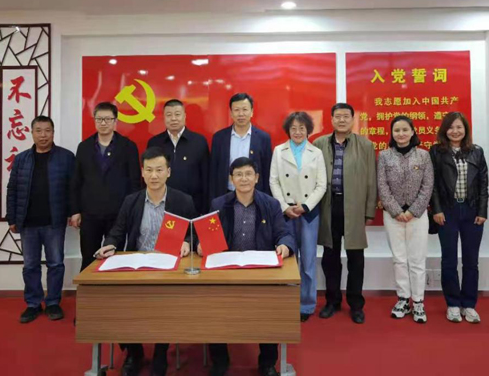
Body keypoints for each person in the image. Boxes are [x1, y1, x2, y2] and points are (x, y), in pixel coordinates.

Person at [95, 147, 197, 376]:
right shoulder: (131, 201)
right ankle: (135, 352)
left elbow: (194, 233)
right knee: (119, 304)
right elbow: (117, 231)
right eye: (149, 170)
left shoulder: (182, 200)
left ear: (168, 172)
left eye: (159, 170)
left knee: (165, 307)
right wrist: (109, 244)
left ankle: (160, 352)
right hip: (137, 266)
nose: (154, 176)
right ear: (142, 172)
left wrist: (187, 242)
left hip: (170, 268)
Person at [202, 157, 295, 376]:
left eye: (248, 174)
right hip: (226, 271)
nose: (244, 179)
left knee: (268, 312)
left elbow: (284, 233)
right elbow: (206, 236)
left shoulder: (271, 204)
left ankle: (267, 363)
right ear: (231, 179)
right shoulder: (219, 205)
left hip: (260, 272)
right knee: (214, 309)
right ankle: (220, 361)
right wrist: (201, 244)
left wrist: (284, 245)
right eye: (238, 175)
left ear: (257, 177)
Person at [7, 115, 75, 323]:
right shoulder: (21, 159)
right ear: (32, 133)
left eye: (47, 131)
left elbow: (73, 188)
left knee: (56, 264)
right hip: (28, 222)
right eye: (38, 130)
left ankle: (53, 302)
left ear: (53, 133)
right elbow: (12, 189)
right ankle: (33, 304)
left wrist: (74, 211)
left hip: (54, 221)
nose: (43, 135)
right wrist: (12, 218)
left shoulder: (66, 157)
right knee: (30, 266)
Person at [313, 103, 377, 324]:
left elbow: (371, 180)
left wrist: (369, 211)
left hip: (355, 207)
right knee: (330, 258)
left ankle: (356, 304)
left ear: (352, 119)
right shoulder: (319, 144)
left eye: (346, 116)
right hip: (328, 206)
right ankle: (332, 301)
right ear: (331, 119)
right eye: (337, 116)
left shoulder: (365, 145)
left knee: (356, 259)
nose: (341, 120)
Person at [429, 112, 488, 324]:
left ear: (465, 130)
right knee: (449, 260)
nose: (455, 131)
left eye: (459, 127)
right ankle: (453, 304)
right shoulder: (436, 151)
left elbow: (483, 185)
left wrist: (482, 212)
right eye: (451, 127)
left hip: (472, 212)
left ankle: (469, 304)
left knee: (471, 261)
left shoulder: (476, 151)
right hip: (447, 211)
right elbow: (433, 184)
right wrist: (436, 209)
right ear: (445, 130)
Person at [269, 111, 327, 322]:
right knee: (287, 259)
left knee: (308, 262)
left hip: (308, 213)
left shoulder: (316, 153)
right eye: (293, 128)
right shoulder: (278, 151)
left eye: (302, 128)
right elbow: (273, 181)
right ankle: (286, 302)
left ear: (308, 130)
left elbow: (322, 185)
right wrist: (285, 207)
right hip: (286, 214)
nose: (297, 132)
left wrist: (306, 205)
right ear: (288, 130)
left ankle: (307, 304)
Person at [70, 101, 141, 271]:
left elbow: (135, 182)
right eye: (99, 119)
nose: (103, 123)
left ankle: (113, 288)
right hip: (90, 213)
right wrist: (75, 211)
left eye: (108, 119)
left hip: (118, 213)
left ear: (115, 121)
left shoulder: (128, 146)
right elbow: (76, 181)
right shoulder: (84, 147)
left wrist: (132, 211)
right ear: (94, 120)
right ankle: (88, 288)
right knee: (88, 257)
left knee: (115, 258)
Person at [378, 115, 434, 323]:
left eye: (404, 130)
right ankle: (403, 299)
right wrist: (395, 210)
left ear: (412, 132)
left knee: (417, 260)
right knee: (399, 259)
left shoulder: (424, 156)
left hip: (417, 216)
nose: (401, 134)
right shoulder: (384, 156)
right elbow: (382, 186)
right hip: (393, 216)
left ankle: (418, 301)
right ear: (392, 133)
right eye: (397, 130)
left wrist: (413, 211)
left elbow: (427, 186)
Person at [147, 99, 210, 214]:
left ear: (184, 116)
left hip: (193, 206)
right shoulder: (155, 143)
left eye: (177, 114)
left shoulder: (199, 141)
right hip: (161, 206)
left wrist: (205, 209)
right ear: (164, 118)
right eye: (169, 115)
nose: (173, 118)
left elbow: (206, 178)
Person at [210, 93, 272, 200]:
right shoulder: (219, 138)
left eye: (245, 109)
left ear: (251, 112)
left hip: (254, 196)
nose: (241, 114)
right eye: (237, 110)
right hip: (226, 194)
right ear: (231, 113)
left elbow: (267, 172)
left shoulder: (263, 138)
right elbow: (213, 172)